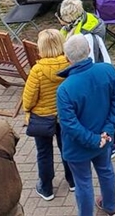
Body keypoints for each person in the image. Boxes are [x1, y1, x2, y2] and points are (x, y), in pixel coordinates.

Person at [56, 33, 115, 216]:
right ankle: (110, 206)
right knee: (106, 171)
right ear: (88, 51)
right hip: (105, 138)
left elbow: (69, 124)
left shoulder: (65, 88)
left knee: (83, 183)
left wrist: (93, 140)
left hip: (79, 146)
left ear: (66, 58)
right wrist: (108, 129)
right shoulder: (107, 70)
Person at [22, 29, 75, 201]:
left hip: (42, 117)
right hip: (64, 115)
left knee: (44, 152)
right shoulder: (70, 64)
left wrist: (27, 110)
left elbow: (29, 98)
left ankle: (46, 188)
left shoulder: (37, 70)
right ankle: (73, 181)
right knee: (66, 148)